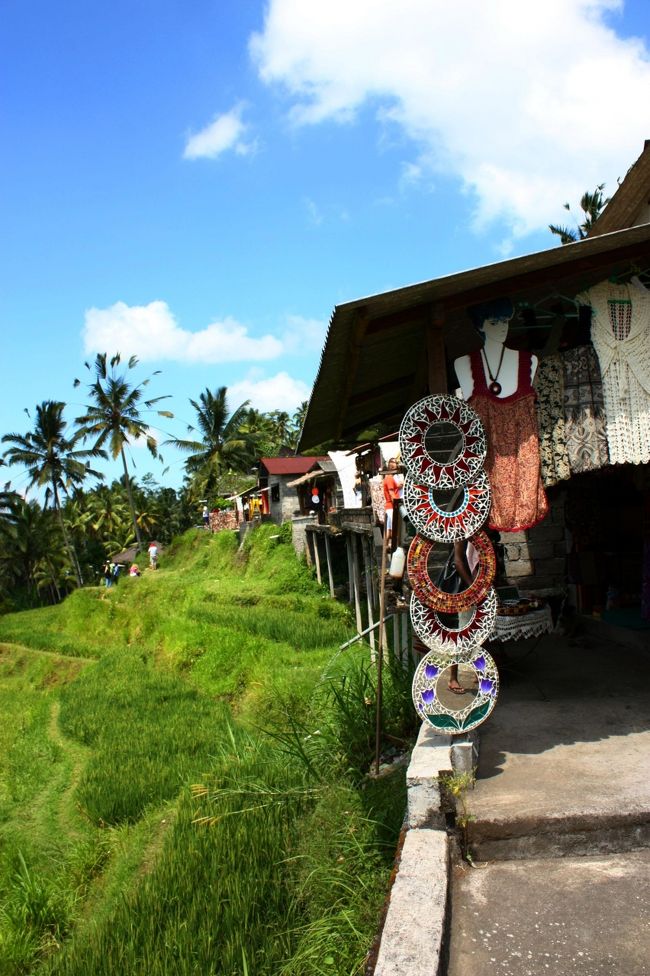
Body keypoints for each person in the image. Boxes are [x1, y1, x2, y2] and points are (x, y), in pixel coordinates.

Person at [453, 298, 547, 532]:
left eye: (505, 320)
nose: (503, 326)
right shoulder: (464, 365)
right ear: (480, 326)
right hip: (487, 468)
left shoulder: (529, 362)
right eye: (495, 322)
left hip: (523, 465)